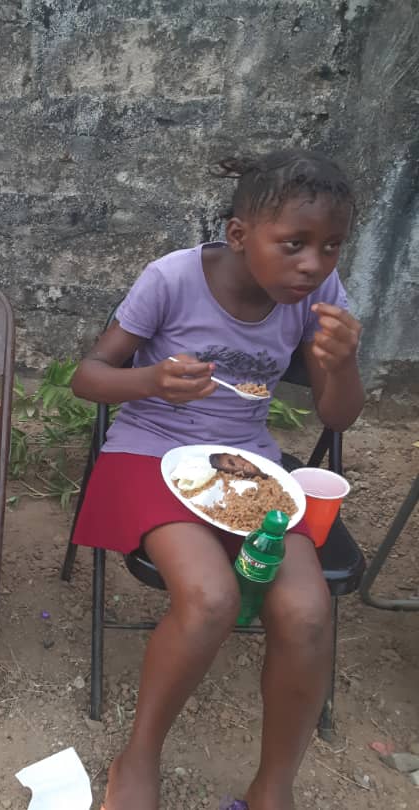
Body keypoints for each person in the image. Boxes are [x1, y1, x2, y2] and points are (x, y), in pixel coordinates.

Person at [70, 150, 364, 810]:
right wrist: (150, 381)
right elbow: (88, 377)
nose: (314, 264)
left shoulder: (318, 297)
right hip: (151, 450)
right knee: (209, 599)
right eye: (294, 244)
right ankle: (139, 756)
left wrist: (343, 365)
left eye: (331, 247)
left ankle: (273, 785)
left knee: (308, 611)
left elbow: (338, 415)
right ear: (239, 234)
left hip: (247, 461)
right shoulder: (172, 279)